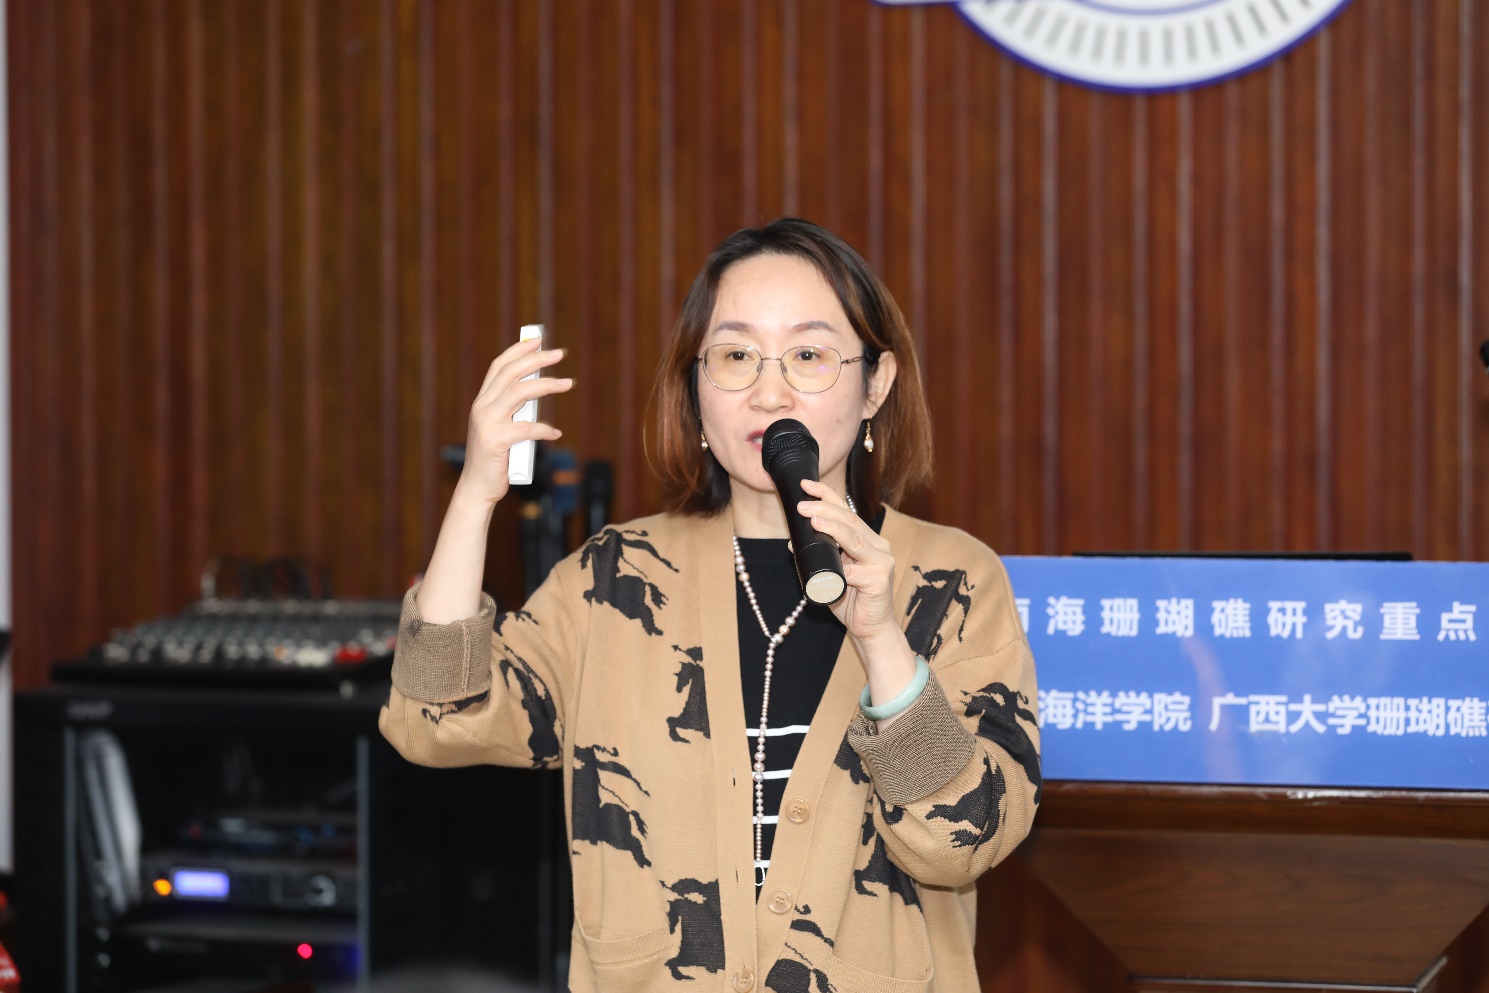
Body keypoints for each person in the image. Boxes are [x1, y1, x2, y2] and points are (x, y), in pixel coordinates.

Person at [380, 218, 1040, 993]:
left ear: (876, 384)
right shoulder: (615, 578)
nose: (769, 391)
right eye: (734, 356)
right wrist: (476, 493)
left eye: (808, 355)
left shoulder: (953, 578)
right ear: (694, 389)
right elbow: (435, 718)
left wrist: (882, 638)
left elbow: (963, 843)